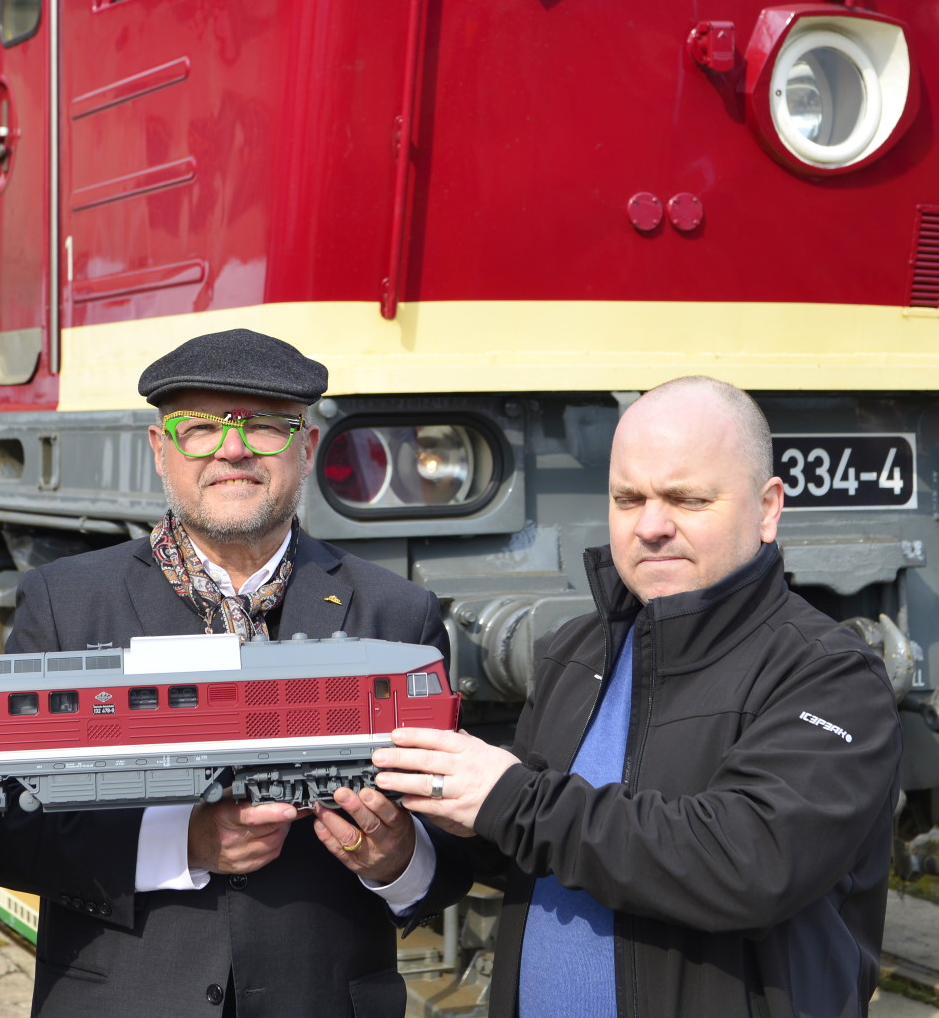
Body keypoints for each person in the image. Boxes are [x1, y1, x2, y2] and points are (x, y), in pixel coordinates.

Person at [0, 327, 468, 1018]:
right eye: (199, 428)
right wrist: (181, 841)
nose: (233, 449)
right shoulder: (66, 603)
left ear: (307, 449)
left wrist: (399, 860)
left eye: (265, 427)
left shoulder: (398, 613)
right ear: (159, 452)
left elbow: (456, 848)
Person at [374, 375, 903, 1018]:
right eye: (629, 499)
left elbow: (749, 864)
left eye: (686, 499)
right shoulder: (579, 649)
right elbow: (536, 840)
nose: (651, 526)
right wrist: (408, 840)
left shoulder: (830, 675)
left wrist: (511, 798)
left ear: (767, 509)